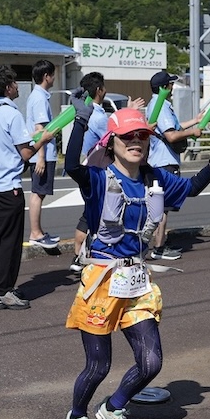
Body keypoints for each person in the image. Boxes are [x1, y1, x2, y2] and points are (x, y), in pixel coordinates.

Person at [62, 90, 210, 419]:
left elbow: (191, 188)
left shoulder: (155, 179)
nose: (135, 142)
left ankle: (113, 409)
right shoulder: (100, 179)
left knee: (151, 362)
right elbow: (72, 168)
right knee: (98, 366)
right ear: (112, 141)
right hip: (101, 279)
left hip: (136, 280)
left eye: (142, 135)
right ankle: (76, 418)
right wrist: (80, 121)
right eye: (127, 136)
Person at [0, 64, 55, 310]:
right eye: (13, 82)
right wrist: (42, 139)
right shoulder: (12, 114)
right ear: (7, 87)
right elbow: (25, 152)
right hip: (7, 184)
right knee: (10, 242)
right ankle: (4, 290)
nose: (17, 86)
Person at [70, 72, 144, 273]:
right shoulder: (98, 116)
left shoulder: (84, 111)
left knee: (88, 214)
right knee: (96, 216)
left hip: (88, 165)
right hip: (102, 171)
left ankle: (78, 256)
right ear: (100, 90)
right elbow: (116, 135)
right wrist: (129, 114)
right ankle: (85, 255)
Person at [146, 70, 203, 260]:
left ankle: (158, 244)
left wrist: (193, 121)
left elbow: (172, 127)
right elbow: (171, 135)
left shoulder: (156, 104)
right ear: (164, 87)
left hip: (159, 161)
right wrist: (193, 132)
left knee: (160, 207)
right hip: (165, 162)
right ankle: (159, 248)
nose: (172, 87)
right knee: (162, 208)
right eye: (170, 84)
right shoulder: (160, 105)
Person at [26, 59, 59, 249]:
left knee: (38, 192)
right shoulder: (39, 98)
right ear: (46, 76)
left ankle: (37, 232)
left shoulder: (38, 96)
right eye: (52, 74)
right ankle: (36, 233)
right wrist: (41, 158)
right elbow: (41, 130)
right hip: (42, 153)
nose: (54, 78)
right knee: (38, 193)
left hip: (41, 152)